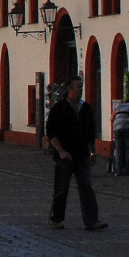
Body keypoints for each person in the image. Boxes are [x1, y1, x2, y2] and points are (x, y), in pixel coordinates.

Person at [45, 79, 106, 230]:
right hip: (65, 156)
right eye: (78, 87)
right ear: (69, 89)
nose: (81, 90)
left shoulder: (85, 108)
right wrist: (61, 151)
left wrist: (92, 152)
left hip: (82, 154)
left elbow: (90, 133)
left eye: (82, 87)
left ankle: (91, 221)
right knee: (61, 188)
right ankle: (57, 218)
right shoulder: (59, 108)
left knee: (86, 187)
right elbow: (51, 132)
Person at [110, 96, 129, 175]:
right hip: (128, 128)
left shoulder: (119, 106)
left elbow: (111, 118)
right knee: (128, 150)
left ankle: (118, 171)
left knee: (118, 150)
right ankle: (128, 171)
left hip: (117, 128)